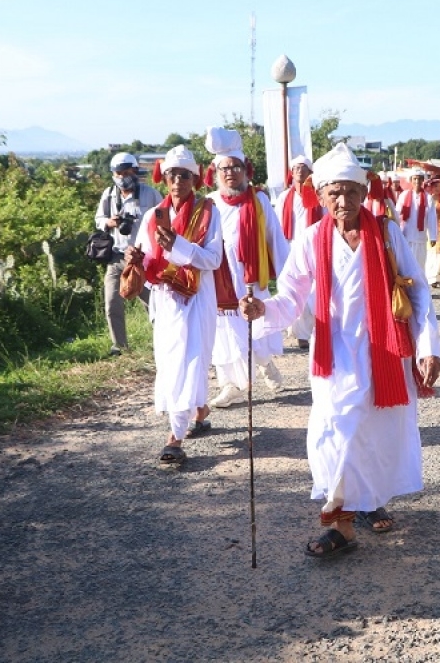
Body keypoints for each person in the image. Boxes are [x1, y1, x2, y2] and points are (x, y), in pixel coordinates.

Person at [239, 143, 440, 558]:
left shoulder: (386, 234)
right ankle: (342, 521)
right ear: (321, 195)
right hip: (333, 356)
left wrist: (428, 346)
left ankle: (359, 507)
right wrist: (262, 308)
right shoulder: (312, 239)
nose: (343, 201)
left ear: (364, 194)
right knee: (331, 435)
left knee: (373, 436)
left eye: (351, 191)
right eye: (334, 192)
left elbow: (417, 292)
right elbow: (291, 297)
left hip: (383, 351)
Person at [125, 146, 223, 464]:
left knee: (191, 361)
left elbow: (213, 258)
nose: (178, 181)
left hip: (198, 298)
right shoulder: (155, 217)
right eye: (172, 175)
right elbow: (142, 253)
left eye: (184, 175)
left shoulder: (209, 211)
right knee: (170, 362)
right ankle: (199, 411)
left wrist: (179, 246)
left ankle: (175, 438)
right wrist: (133, 259)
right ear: (164, 178)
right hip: (166, 300)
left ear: (195, 178)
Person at [203, 126, 290, 408]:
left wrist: (290, 279)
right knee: (226, 333)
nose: (231, 173)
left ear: (245, 170)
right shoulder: (210, 203)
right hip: (221, 278)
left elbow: (275, 239)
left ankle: (265, 364)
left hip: (252, 277)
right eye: (225, 169)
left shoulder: (259, 199)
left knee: (257, 331)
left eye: (236, 167)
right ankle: (230, 384)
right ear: (216, 174)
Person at [94, 152, 161, 356]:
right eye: (118, 173)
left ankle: (163, 340)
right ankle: (119, 346)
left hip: (143, 258)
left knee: (153, 304)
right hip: (116, 256)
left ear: (135, 171)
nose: (122, 176)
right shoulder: (109, 194)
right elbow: (98, 219)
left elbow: (165, 217)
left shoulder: (150, 194)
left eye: (126, 172)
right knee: (112, 302)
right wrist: (109, 222)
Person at [273, 155, 323, 349]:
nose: (299, 172)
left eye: (303, 168)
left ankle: (316, 331)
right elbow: (277, 226)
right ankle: (301, 335)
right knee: (296, 289)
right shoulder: (285, 197)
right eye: (296, 169)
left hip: (315, 247)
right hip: (291, 247)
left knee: (314, 292)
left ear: (310, 173)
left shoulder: (318, 195)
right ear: (291, 173)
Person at [394, 168, 437, 273]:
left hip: (420, 237)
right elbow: (397, 214)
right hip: (406, 236)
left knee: (419, 266)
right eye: (415, 179)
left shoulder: (428, 198)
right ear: (411, 180)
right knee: (406, 266)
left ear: (423, 181)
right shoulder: (404, 195)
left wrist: (433, 236)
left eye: (419, 179)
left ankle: (419, 288)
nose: (417, 182)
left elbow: (432, 218)